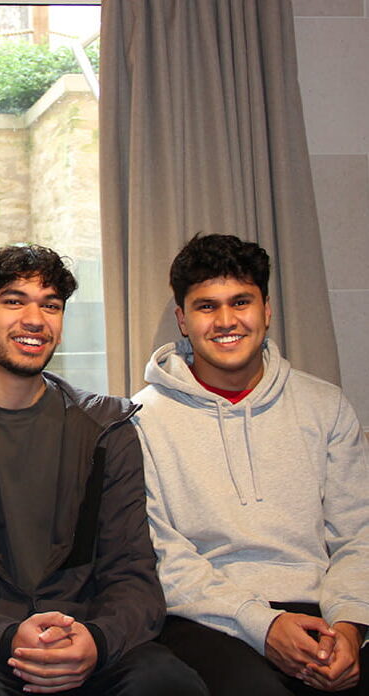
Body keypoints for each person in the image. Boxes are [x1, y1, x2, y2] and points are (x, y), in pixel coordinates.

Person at [0, 244, 207, 695]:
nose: (35, 319)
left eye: (50, 305)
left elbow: (132, 574)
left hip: (92, 641)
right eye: (14, 301)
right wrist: (6, 636)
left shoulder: (107, 430)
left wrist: (95, 640)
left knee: (168, 683)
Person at [134, 233, 369, 695]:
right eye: (206, 307)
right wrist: (261, 624)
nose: (226, 321)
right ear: (182, 319)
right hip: (210, 620)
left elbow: (357, 532)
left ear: (266, 310)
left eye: (240, 302)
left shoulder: (326, 405)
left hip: (323, 609)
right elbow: (163, 555)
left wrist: (350, 625)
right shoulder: (142, 420)